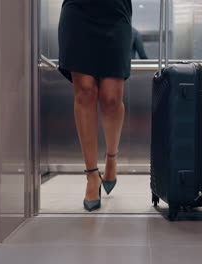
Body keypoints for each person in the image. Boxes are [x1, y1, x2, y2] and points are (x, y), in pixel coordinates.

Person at [58, 0, 132, 211]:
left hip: (116, 11)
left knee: (111, 97)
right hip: (78, 11)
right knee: (85, 90)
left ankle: (111, 157)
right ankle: (91, 175)